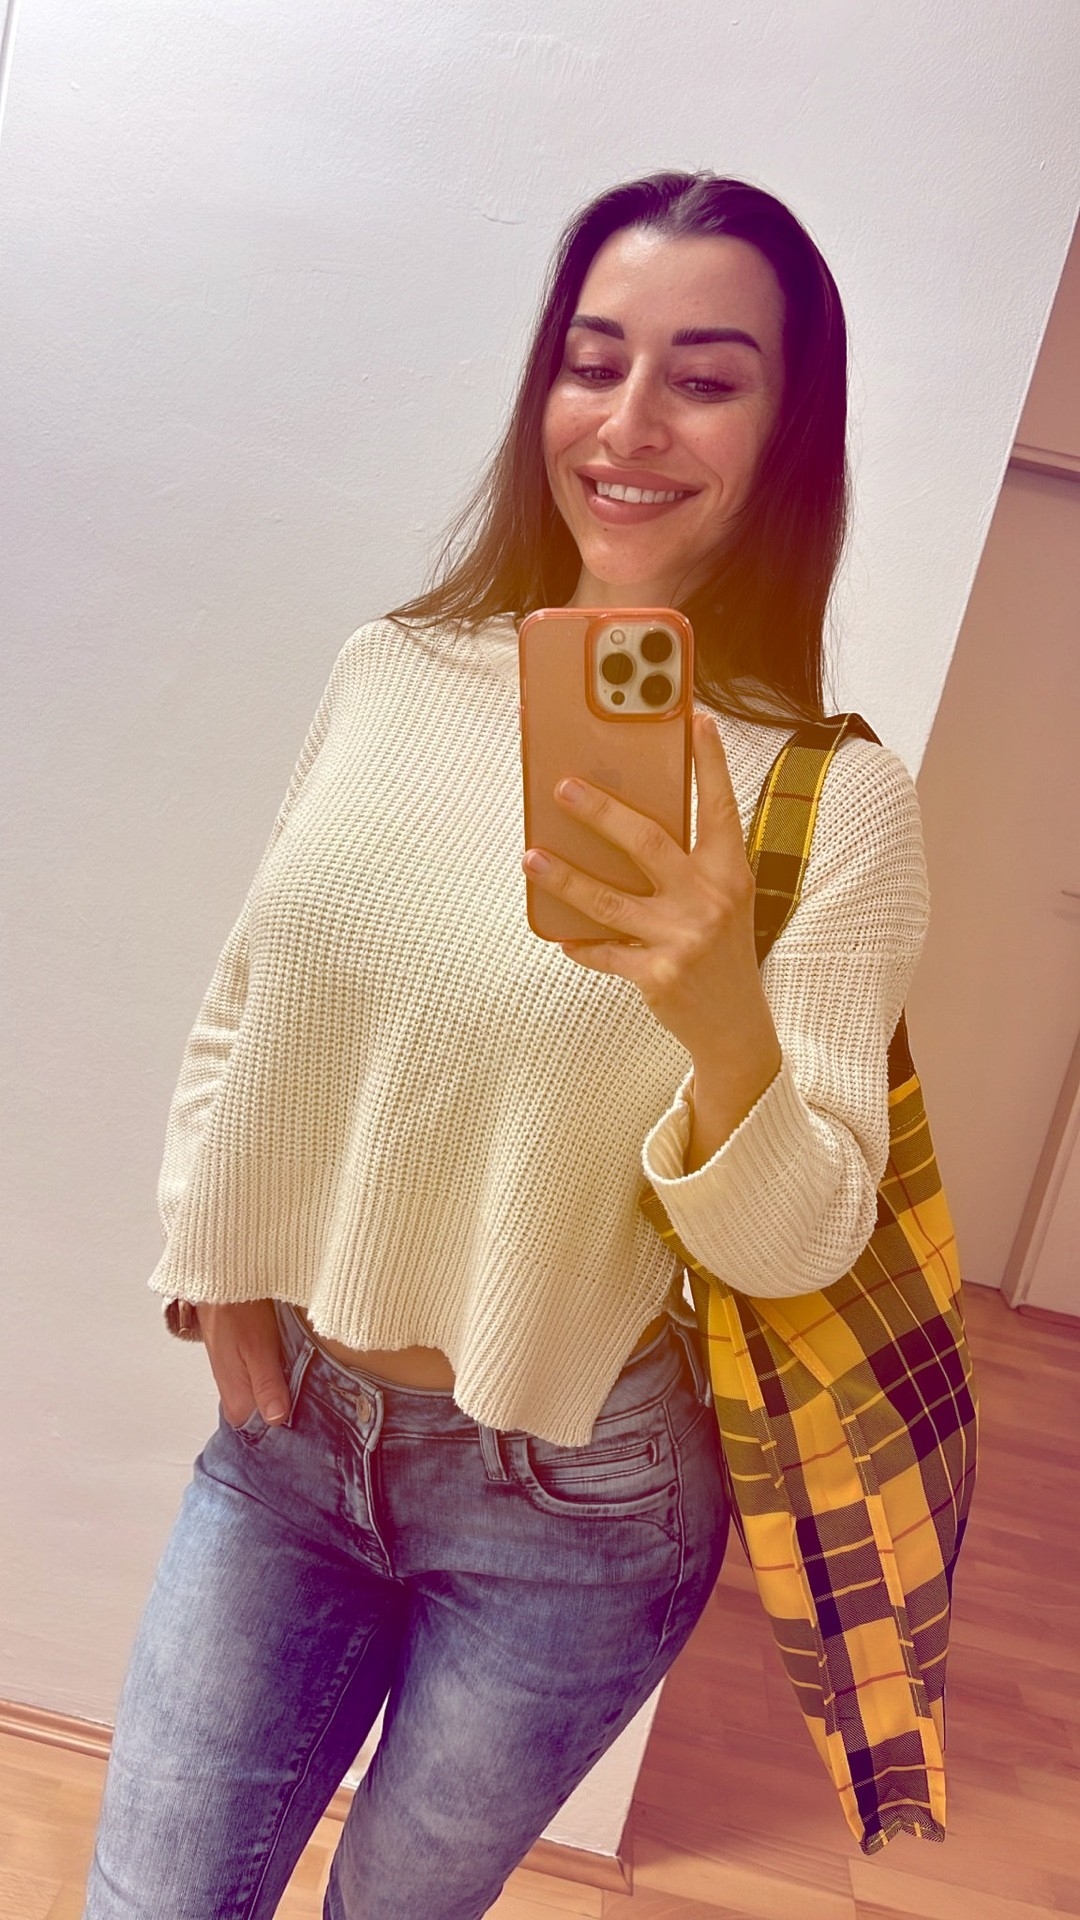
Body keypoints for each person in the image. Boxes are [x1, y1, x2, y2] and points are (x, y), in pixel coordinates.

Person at [82, 171, 930, 1919]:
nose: (629, 423)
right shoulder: (393, 669)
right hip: (288, 1440)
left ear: (789, 431)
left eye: (706, 378)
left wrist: (719, 1013)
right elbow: (246, 999)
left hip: (575, 1503)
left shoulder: (833, 802)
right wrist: (210, 1259)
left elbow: (803, 1242)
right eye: (592, 361)